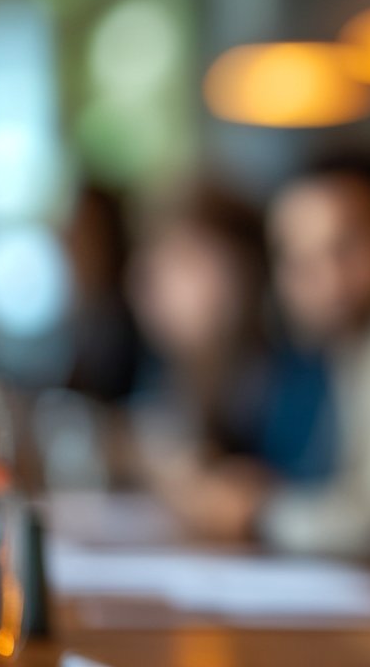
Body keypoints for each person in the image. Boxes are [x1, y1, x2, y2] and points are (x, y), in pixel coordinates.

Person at [252, 154, 370, 563]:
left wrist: (259, 512)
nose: (326, 277)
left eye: (347, 247)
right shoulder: (348, 350)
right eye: (299, 257)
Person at [125, 180, 277, 538]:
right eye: (153, 265)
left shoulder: (291, 377)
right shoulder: (177, 371)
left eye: (186, 262)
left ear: (247, 271)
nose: (156, 286)